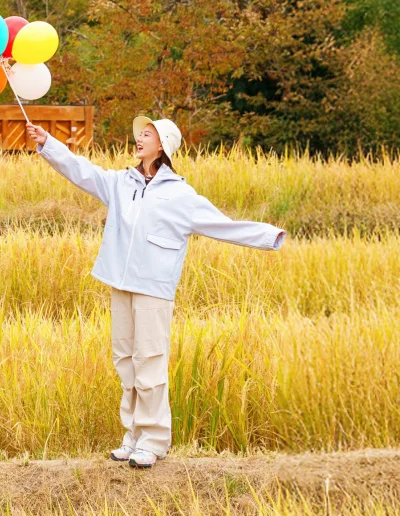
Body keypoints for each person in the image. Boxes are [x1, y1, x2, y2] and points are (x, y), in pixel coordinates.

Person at [25, 114, 285, 469]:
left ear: (161, 144)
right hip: (120, 281)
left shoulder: (181, 194)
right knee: (125, 361)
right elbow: (81, 170)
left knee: (149, 361)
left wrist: (270, 237)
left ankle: (154, 439)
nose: (139, 139)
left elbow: (221, 224)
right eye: (140, 134)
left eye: (146, 134)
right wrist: (47, 143)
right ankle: (132, 436)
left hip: (153, 287)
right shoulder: (121, 182)